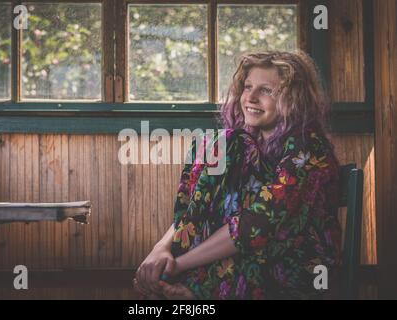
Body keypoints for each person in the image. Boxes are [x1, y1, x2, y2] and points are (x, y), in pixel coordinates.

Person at [133, 51, 342, 300]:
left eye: (266, 90)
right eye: (247, 87)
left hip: (299, 263)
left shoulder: (307, 147)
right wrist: (162, 249)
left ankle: (188, 290)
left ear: (293, 99)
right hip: (249, 253)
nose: (250, 98)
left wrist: (177, 265)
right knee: (222, 141)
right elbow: (199, 205)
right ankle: (181, 280)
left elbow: (256, 227)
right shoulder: (246, 146)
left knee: (171, 281)